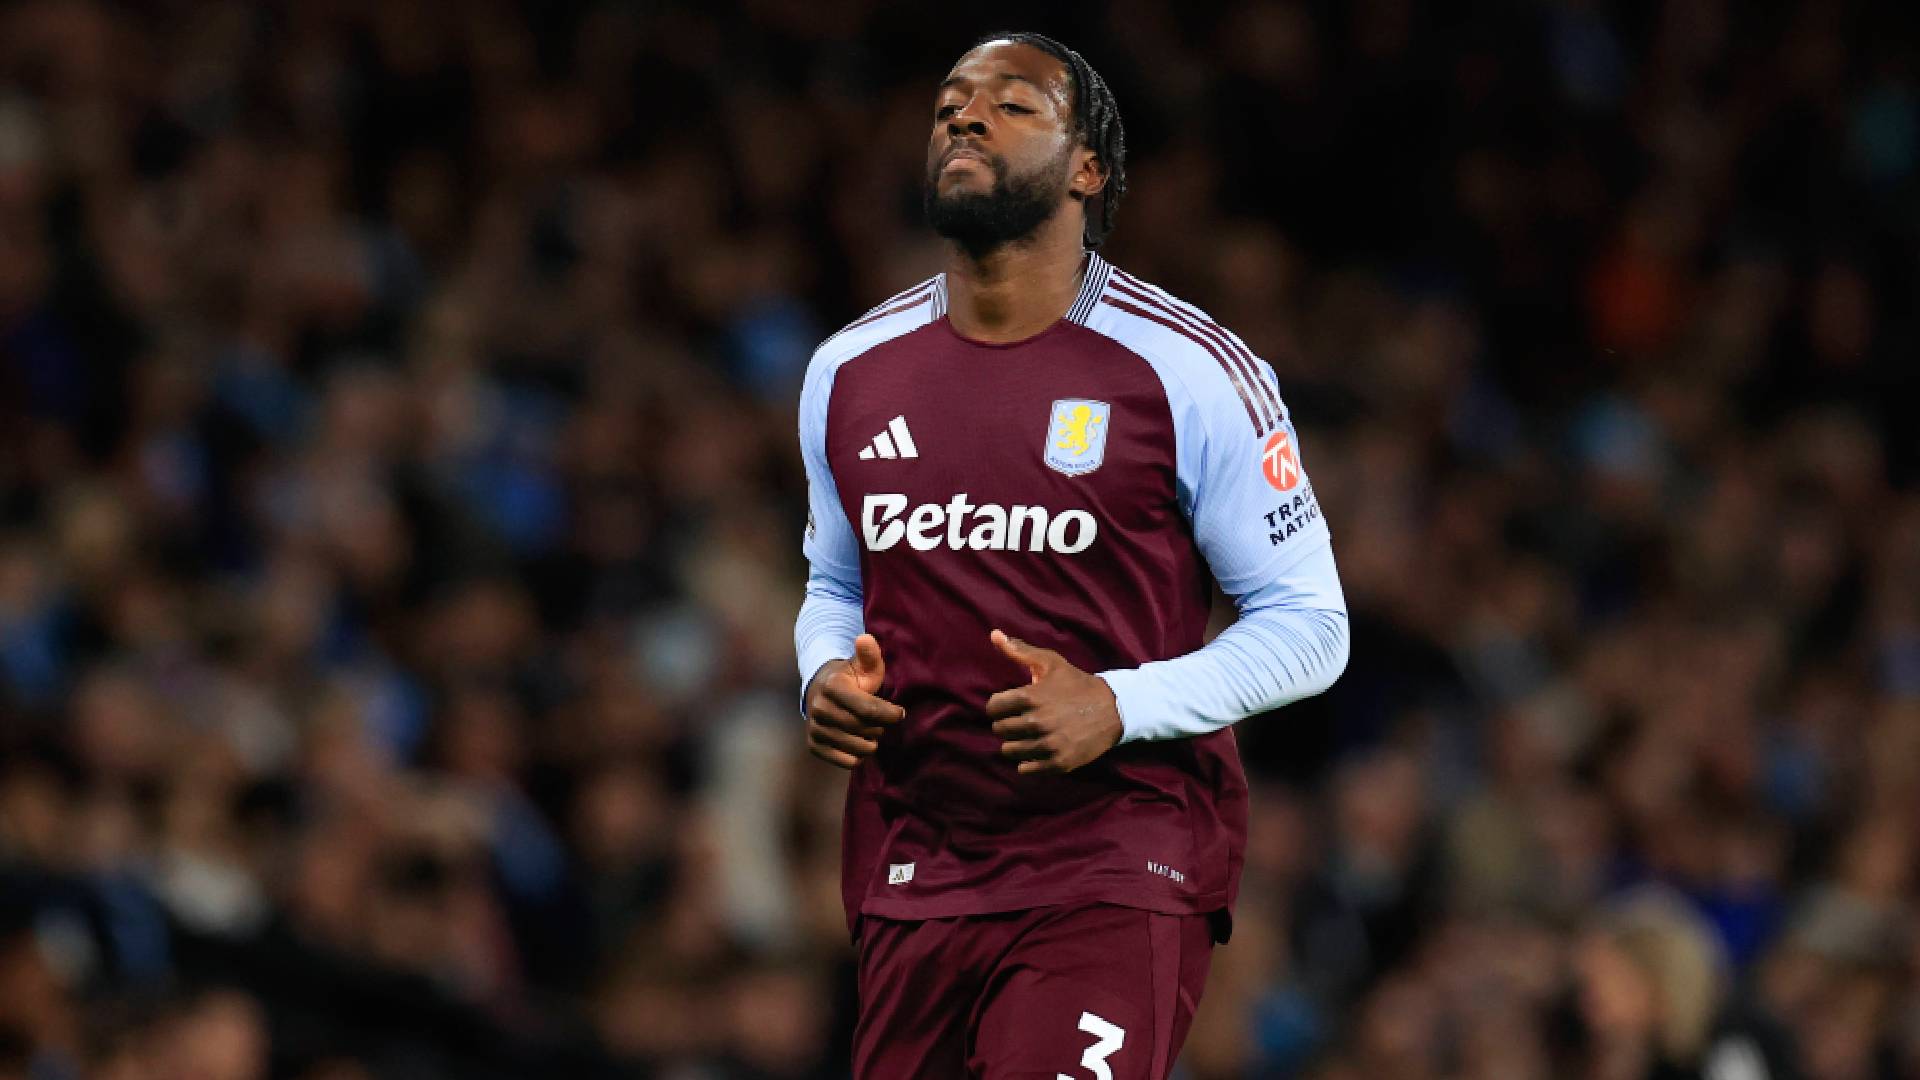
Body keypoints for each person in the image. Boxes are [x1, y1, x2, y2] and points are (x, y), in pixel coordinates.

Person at [793, 31, 1349, 1079]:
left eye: (1011, 105)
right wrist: (822, 670)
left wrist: (1117, 705)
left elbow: (1312, 624)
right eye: (950, 105)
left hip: (1112, 862)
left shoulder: (1189, 369)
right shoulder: (849, 371)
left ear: (1089, 169)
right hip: (916, 867)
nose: (965, 117)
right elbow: (835, 583)